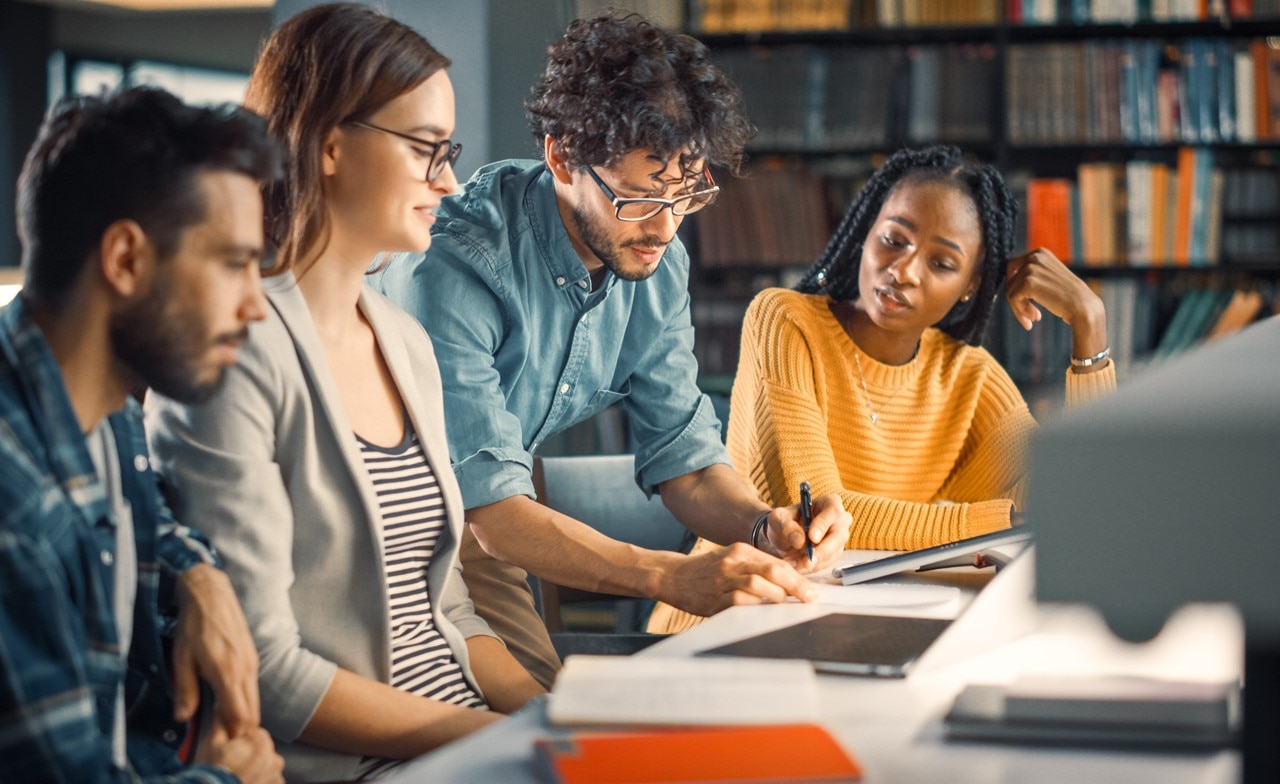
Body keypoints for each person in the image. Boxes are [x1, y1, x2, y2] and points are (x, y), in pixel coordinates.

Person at [375, 12, 852, 689]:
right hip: (398, 525)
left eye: (685, 194)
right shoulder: (458, 263)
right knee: (529, 718)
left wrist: (761, 526)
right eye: (636, 200)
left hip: (489, 514)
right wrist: (672, 577)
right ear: (562, 157)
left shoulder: (657, 259)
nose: (664, 228)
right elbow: (493, 518)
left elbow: (685, 464)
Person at [145, 5, 544, 781]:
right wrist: (491, 736)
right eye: (426, 149)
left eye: (449, 151)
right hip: (361, 764)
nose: (449, 181)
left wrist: (546, 711)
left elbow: (450, 610)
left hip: (467, 738)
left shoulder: (407, 343)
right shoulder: (234, 353)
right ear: (330, 145)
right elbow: (267, 666)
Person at [649, 145, 1118, 633]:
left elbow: (1089, 511)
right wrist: (1010, 520)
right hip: (732, 621)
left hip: (862, 626)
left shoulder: (971, 378)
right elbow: (817, 524)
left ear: (970, 286)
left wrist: (1090, 325)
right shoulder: (785, 323)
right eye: (895, 239)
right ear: (868, 228)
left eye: (941, 263)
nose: (904, 270)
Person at [0, 86, 284, 783]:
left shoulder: (105, 405)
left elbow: (148, 516)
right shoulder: (13, 511)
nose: (256, 307)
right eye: (231, 263)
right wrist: (227, 781)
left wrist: (198, 572)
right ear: (125, 260)